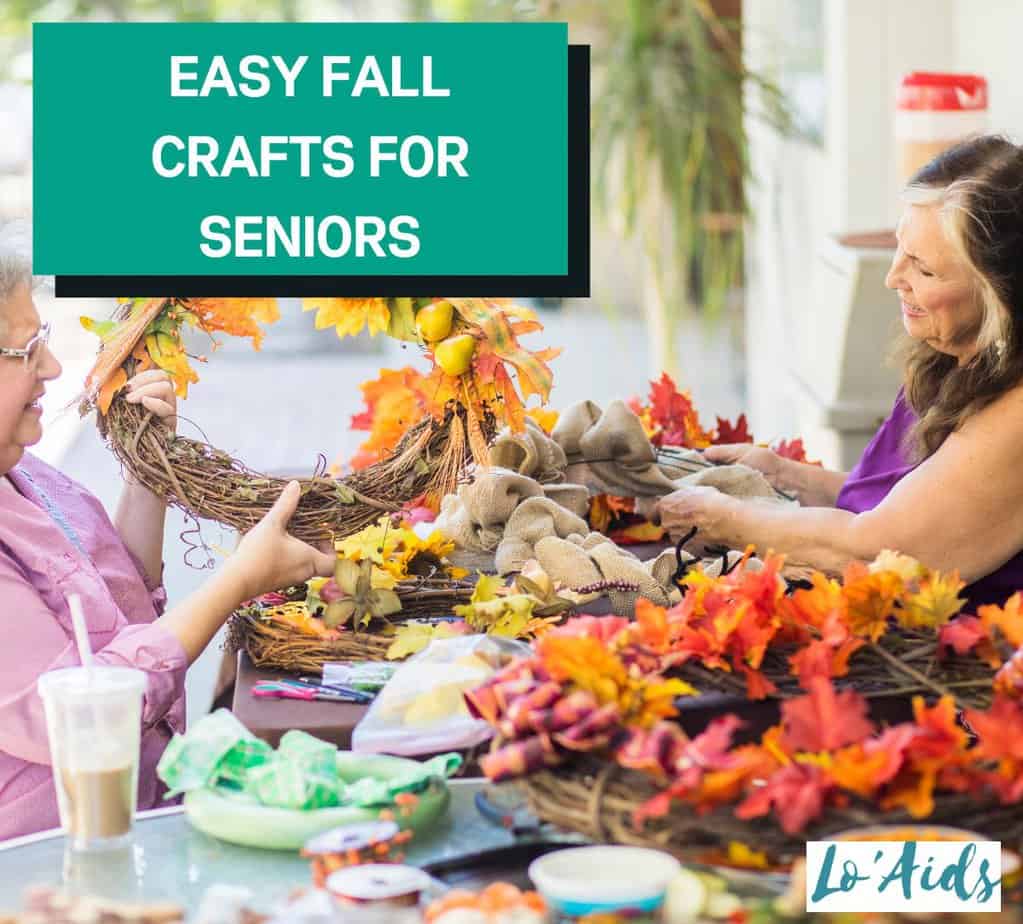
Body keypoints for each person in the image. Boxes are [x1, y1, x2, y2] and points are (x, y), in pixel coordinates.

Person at [0, 243, 335, 840]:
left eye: (43, 336)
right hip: (57, 869)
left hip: (148, 815)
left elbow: (119, 605)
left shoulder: (27, 472)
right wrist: (236, 582)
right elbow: (81, 717)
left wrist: (148, 477)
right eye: (25, 351)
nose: (51, 366)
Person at [655, 134, 1023, 611]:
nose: (894, 277)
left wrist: (723, 517)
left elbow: (875, 549)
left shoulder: (1014, 414)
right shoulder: (962, 357)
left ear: (999, 295)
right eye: (899, 249)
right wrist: (790, 477)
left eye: (924, 270)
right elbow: (915, 498)